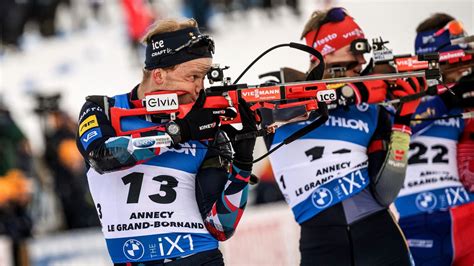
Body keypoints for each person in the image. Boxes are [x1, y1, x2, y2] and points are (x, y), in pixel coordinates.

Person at [75, 18, 257, 265]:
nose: (198, 89)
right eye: (193, 76)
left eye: (203, 78)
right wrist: (177, 132)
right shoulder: (103, 109)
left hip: (199, 258)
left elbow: (220, 227)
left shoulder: (204, 126)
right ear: (159, 75)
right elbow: (102, 156)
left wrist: (243, 165)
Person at [265, 7, 423, 265]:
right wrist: (345, 94)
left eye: (363, 52)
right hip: (321, 245)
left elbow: (385, 193)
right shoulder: (277, 96)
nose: (361, 60)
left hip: (380, 237)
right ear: (324, 53)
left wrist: (402, 121)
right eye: (353, 49)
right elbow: (267, 113)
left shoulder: (370, 108)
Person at [394, 13, 474, 266]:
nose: (464, 67)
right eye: (456, 60)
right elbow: (398, 127)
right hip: (416, 221)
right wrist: (448, 98)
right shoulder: (401, 93)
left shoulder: (465, 97)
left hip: (464, 214)